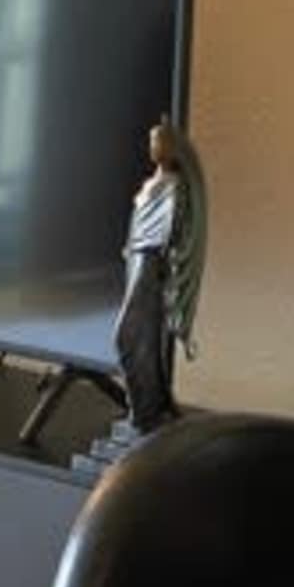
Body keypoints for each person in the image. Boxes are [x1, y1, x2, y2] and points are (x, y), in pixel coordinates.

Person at [110, 119, 206, 433]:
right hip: (136, 259)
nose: (153, 147)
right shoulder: (155, 181)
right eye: (152, 141)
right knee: (146, 337)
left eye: (158, 141)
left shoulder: (175, 187)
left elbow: (167, 233)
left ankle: (147, 413)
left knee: (129, 334)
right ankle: (147, 410)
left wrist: (160, 263)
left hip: (151, 264)